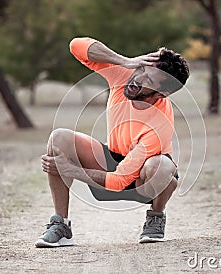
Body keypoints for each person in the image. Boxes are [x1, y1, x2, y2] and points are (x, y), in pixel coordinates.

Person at [35, 37, 189, 247]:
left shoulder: (158, 125)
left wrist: (69, 169)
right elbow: (77, 46)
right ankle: (60, 225)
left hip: (143, 180)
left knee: (161, 166)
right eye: (142, 69)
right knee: (59, 138)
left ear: (162, 93)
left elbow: (118, 182)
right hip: (114, 158)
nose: (137, 79)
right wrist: (124, 61)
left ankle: (156, 215)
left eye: (148, 81)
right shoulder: (125, 74)